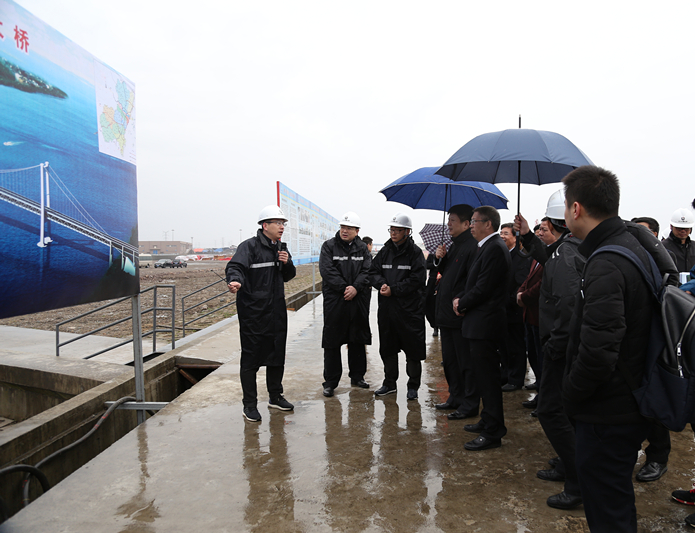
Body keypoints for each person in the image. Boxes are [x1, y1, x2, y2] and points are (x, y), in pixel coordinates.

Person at [562, 166, 654, 532]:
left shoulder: (606, 262)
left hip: (607, 411)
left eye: (566, 205)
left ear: (576, 209)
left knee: (607, 508)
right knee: (615, 498)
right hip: (627, 399)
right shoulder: (631, 246)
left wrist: (571, 395)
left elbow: (599, 351)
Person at [515, 190, 585, 510]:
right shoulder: (566, 248)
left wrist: (555, 346)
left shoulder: (567, 254)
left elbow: (568, 305)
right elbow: (547, 257)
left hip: (563, 348)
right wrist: (528, 235)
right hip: (564, 345)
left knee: (551, 411)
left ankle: (577, 482)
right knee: (566, 414)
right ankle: (569, 463)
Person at [226, 205, 297, 422]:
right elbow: (235, 267)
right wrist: (235, 280)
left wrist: (287, 262)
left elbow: (288, 276)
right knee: (251, 359)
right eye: (278, 223)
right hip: (254, 313)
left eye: (283, 223)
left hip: (276, 312)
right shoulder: (249, 247)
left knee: (277, 356)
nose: (282, 227)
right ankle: (249, 405)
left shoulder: (281, 248)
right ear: (265, 225)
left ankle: (275, 397)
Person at [453, 206, 510, 451]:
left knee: (488, 378)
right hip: (479, 323)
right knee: (483, 376)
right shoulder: (485, 246)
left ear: (488, 224)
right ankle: (487, 419)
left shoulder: (495, 247)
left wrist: (462, 302)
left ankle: (493, 431)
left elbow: (484, 287)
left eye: (474, 221)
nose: (471, 225)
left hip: (486, 324)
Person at [369, 213, 426, 400]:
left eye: (398, 230)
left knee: (413, 350)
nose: (393, 233)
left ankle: (413, 386)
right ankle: (389, 383)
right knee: (388, 348)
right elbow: (373, 272)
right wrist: (381, 285)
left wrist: (394, 290)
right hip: (388, 310)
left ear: (407, 232)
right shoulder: (384, 252)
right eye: (391, 229)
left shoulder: (415, 254)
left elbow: (417, 280)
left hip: (410, 311)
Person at [432, 204, 480, 420]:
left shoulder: (472, 247)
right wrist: (440, 258)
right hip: (445, 315)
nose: (449, 224)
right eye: (449, 220)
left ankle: (469, 403)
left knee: (465, 362)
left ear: (466, 223)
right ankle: (455, 396)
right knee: (450, 361)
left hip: (459, 315)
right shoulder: (453, 246)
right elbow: (446, 273)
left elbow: (470, 281)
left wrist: (461, 302)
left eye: (453, 220)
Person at [319, 212, 372, 397]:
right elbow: (327, 270)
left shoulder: (362, 249)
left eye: (349, 228)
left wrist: (356, 288)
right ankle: (330, 382)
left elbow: (367, 270)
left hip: (357, 301)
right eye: (342, 227)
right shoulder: (329, 246)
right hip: (336, 300)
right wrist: (345, 288)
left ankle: (357, 376)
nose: (344, 230)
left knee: (357, 339)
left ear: (357, 231)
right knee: (332, 342)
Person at [498, 223, 531, 392]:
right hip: (502, 310)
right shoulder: (503, 255)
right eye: (501, 233)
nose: (502, 236)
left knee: (515, 346)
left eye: (506, 233)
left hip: (514, 309)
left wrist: (508, 300)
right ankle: (505, 374)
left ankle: (515, 379)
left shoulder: (521, 257)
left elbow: (520, 283)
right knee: (504, 345)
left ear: (515, 237)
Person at [661, 208, 695, 273]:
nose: (683, 231)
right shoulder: (662, 247)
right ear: (671, 227)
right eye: (679, 228)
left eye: (686, 228)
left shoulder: (694, 246)